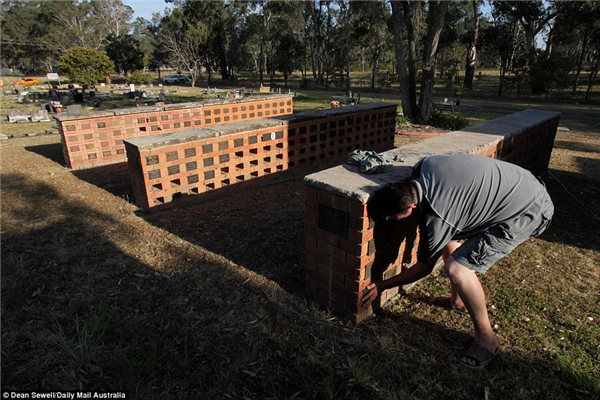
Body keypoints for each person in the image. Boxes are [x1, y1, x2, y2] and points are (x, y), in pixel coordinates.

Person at [363, 153, 554, 369]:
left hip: (529, 211)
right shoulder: (424, 166)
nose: (389, 222)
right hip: (523, 184)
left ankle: (487, 340)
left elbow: (423, 269)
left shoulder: (438, 217)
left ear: (411, 209)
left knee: (458, 268)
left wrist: (383, 284)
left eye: (391, 218)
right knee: (450, 240)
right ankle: (458, 301)